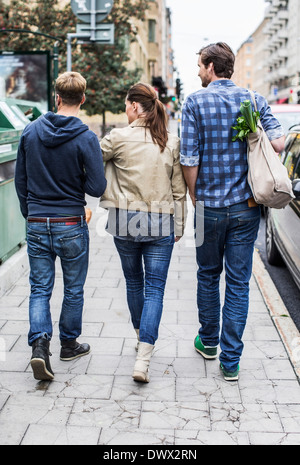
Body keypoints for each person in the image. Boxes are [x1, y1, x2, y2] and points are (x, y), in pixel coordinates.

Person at [180, 42, 285, 381]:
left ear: (211, 66)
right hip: (247, 207)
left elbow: (189, 158)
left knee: (207, 275)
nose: (197, 71)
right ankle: (231, 362)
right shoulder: (253, 100)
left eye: (199, 65)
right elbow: (280, 143)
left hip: (206, 207)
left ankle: (208, 342)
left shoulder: (195, 101)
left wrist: (195, 199)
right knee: (239, 283)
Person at [15, 71, 107, 381]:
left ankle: (40, 345)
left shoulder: (30, 132)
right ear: (82, 98)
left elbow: (20, 180)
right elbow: (97, 187)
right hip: (71, 222)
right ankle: (69, 344)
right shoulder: (86, 137)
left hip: (39, 221)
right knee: (74, 288)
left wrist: (31, 213)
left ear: (56, 97)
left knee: (40, 288)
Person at [100, 82, 187, 383]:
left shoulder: (117, 138)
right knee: (155, 289)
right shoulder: (170, 141)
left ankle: (140, 336)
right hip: (160, 222)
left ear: (136, 107)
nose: (125, 111)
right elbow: (179, 191)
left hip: (124, 220)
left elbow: (89, 163)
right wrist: (180, 226)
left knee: (134, 283)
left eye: (126, 105)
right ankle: (144, 356)